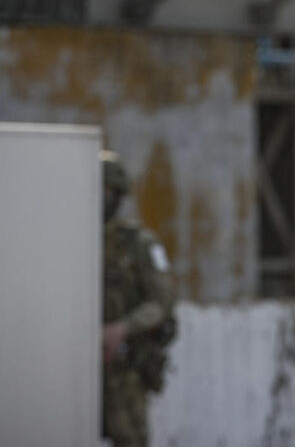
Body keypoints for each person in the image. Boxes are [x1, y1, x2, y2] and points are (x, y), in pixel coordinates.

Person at [101, 150, 176, 447]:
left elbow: (162, 302)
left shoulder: (137, 244)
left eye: (107, 190)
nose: (101, 197)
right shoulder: (70, 238)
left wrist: (123, 328)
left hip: (124, 368)